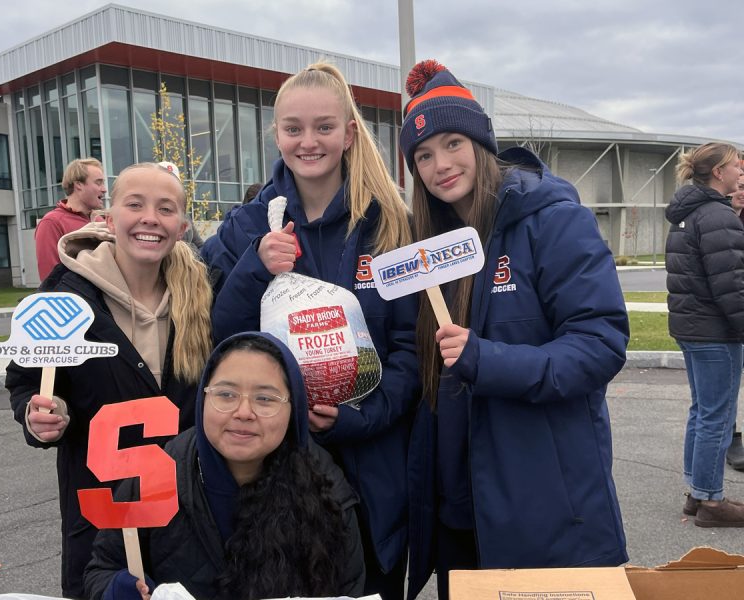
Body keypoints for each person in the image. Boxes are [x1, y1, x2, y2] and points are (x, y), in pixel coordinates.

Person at [398, 60, 630, 600]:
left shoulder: (553, 219)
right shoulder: (431, 243)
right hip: (459, 512)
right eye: (423, 156)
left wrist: (486, 359)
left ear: (481, 142)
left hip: (546, 506)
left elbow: (599, 346)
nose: (440, 165)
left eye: (453, 143)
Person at [201, 62, 418, 600]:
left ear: (349, 133)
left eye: (324, 126)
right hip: (276, 472)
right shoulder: (249, 224)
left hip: (373, 463)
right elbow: (221, 338)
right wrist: (255, 266)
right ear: (276, 135)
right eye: (293, 128)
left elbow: (412, 348)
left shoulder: (392, 221)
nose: (308, 141)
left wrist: (362, 415)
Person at [6, 162, 213, 599]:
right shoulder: (63, 295)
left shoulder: (205, 296)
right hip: (101, 513)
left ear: (181, 225)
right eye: (134, 204)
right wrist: (40, 416)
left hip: (188, 511)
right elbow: (26, 380)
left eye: (166, 208)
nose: (150, 218)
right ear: (109, 216)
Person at [83, 332, 365, 600]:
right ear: (203, 398)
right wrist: (117, 588)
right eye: (226, 394)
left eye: (265, 398)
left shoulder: (325, 487)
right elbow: (103, 567)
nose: (243, 412)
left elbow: (349, 587)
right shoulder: (156, 473)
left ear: (294, 409)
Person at [665, 143, 744, 525]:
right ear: (718, 172)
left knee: (702, 412)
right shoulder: (716, 214)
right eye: (735, 165)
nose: (740, 171)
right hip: (715, 330)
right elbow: (730, 283)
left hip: (692, 326)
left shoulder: (687, 212)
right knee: (717, 415)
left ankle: (697, 493)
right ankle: (712, 503)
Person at [36, 158, 107, 280]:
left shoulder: (100, 221)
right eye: (98, 183)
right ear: (78, 185)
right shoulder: (52, 222)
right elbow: (50, 278)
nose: (104, 189)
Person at [726, 170, 744, 471]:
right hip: (729, 315)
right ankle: (730, 436)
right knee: (725, 386)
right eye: (739, 187)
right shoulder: (718, 218)